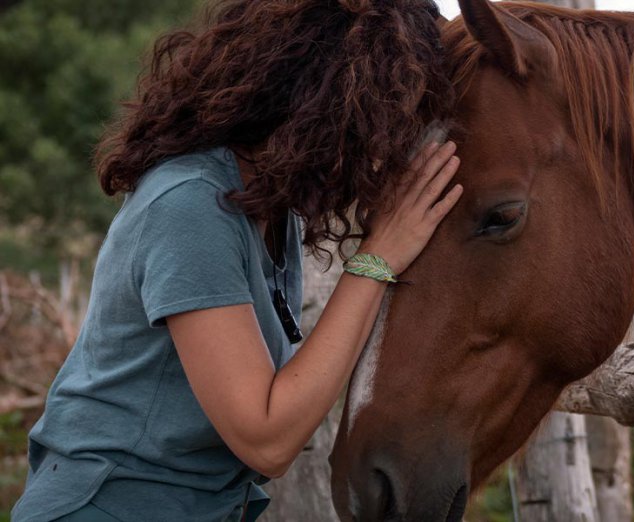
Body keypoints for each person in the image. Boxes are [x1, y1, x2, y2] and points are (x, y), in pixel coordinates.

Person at [11, 1, 462, 520]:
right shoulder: (191, 203)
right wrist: (378, 257)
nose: (390, 150)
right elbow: (266, 438)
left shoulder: (268, 209)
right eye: (386, 122)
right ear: (330, 102)